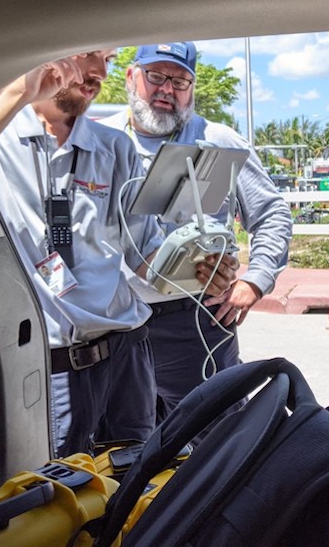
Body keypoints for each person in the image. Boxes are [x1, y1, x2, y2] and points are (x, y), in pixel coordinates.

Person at [0, 50, 238, 456]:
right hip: (54, 362)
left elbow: (144, 258)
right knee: (62, 491)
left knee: (131, 481)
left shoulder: (114, 147)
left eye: (107, 58)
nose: (98, 72)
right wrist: (18, 91)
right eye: (87, 53)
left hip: (127, 356)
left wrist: (197, 268)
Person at [100, 42, 292, 422]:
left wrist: (255, 281)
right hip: (114, 323)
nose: (167, 89)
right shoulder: (101, 140)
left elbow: (272, 212)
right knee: (126, 446)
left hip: (195, 321)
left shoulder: (218, 141)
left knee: (216, 441)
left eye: (180, 81)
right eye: (155, 76)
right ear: (130, 75)